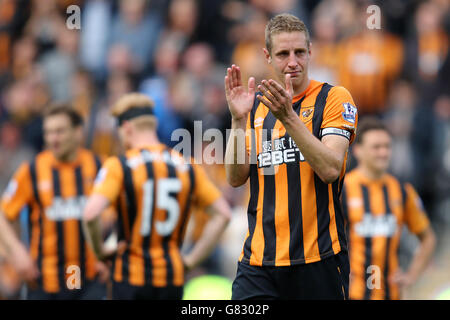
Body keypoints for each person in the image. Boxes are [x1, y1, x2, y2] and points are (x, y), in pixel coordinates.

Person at [224, 13, 358, 300]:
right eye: (283, 54)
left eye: (299, 52)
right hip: (259, 262)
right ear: (267, 57)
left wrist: (288, 117)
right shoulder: (255, 108)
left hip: (318, 259)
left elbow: (331, 169)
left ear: (311, 51)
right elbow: (235, 178)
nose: (293, 61)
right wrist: (237, 120)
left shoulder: (334, 98)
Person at [82, 93, 231, 300]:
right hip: (171, 277)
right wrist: (190, 261)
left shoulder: (120, 165)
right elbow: (223, 214)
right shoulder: (187, 166)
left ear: (126, 129)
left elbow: (90, 214)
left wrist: (99, 252)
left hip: (130, 277)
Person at [0, 104, 109, 299]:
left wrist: (110, 254)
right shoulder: (32, 171)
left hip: (89, 280)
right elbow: (2, 214)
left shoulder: (101, 167)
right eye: (48, 132)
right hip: (44, 280)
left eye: (59, 131)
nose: (53, 138)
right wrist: (16, 253)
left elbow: (126, 211)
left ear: (78, 132)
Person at [341, 117, 436, 300]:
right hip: (352, 294)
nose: (383, 152)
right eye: (376, 147)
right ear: (358, 150)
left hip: (391, 294)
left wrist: (410, 277)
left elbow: (428, 238)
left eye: (387, 146)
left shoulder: (402, 191)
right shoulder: (343, 190)